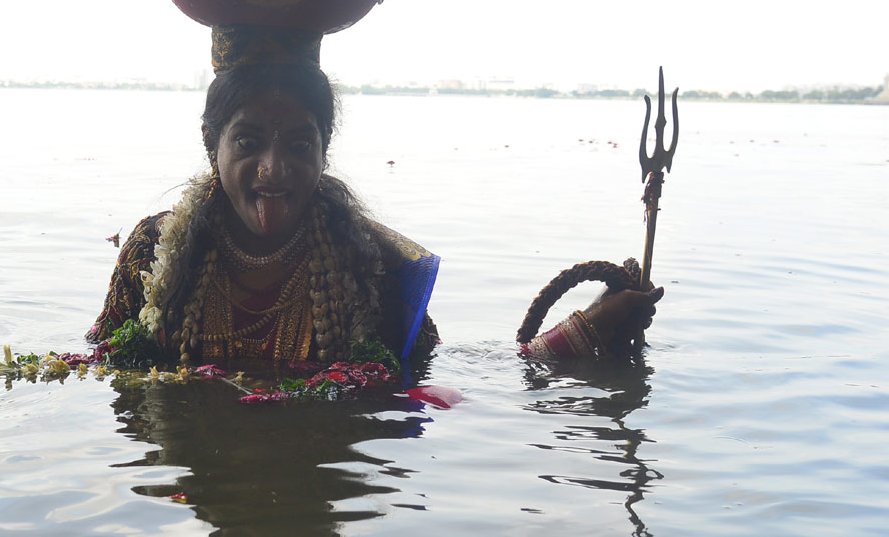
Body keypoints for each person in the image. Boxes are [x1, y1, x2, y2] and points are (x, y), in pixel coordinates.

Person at [89, 37, 662, 368]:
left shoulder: (371, 263)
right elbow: (99, 368)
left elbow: (448, 376)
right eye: (247, 141)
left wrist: (589, 328)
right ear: (211, 146)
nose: (273, 168)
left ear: (324, 151)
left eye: (298, 144)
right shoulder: (153, 251)